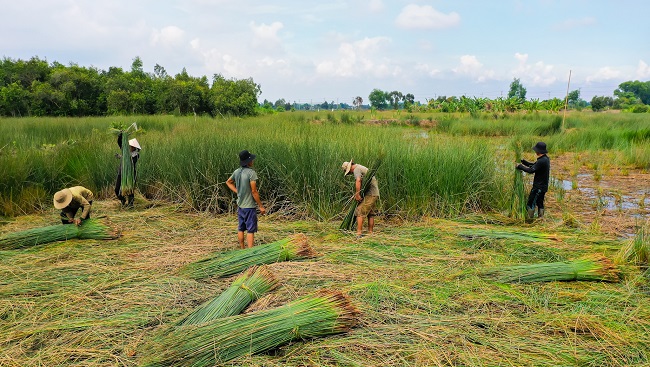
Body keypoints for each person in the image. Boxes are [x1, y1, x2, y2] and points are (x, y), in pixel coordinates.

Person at [226, 150, 266, 249]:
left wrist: (237, 191)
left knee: (241, 228)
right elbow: (254, 191)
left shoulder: (237, 171)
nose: (252, 161)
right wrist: (261, 206)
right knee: (250, 230)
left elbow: (228, 182)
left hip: (240, 205)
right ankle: (250, 252)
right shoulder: (251, 173)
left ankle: (242, 249)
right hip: (249, 206)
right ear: (248, 161)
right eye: (251, 160)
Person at [342, 160, 380, 238]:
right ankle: (370, 233)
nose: (350, 174)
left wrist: (357, 194)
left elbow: (358, 180)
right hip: (374, 193)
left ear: (349, 169)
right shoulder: (360, 167)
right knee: (370, 214)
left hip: (370, 194)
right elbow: (364, 184)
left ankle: (358, 233)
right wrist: (356, 194)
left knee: (359, 211)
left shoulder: (356, 169)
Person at [516, 142, 550, 221]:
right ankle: (541, 219)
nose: (535, 152)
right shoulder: (545, 159)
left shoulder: (542, 161)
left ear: (538, 151)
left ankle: (529, 220)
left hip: (538, 187)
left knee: (531, 203)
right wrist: (523, 162)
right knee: (540, 203)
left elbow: (531, 170)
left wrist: (520, 166)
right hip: (543, 187)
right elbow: (534, 165)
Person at [115, 133, 141, 207]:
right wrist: (121, 135)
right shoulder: (125, 151)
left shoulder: (136, 154)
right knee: (117, 190)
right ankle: (122, 199)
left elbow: (132, 161)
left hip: (131, 174)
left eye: (132, 146)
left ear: (134, 147)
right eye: (129, 145)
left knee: (130, 190)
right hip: (121, 173)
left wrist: (122, 157)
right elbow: (120, 143)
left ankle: (130, 205)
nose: (130, 147)